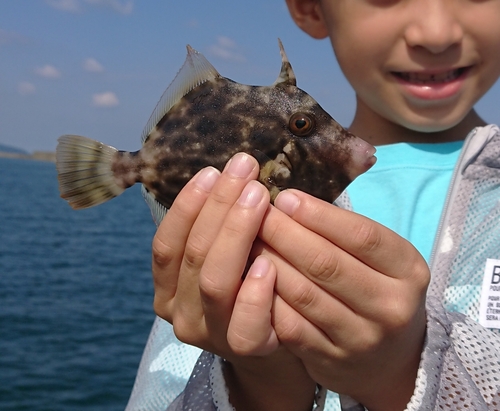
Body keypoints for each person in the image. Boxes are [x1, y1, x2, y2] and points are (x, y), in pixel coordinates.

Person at [125, 0, 500, 410]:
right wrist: (261, 381)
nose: (434, 32)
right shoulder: (216, 259)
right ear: (309, 9)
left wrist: (408, 372)